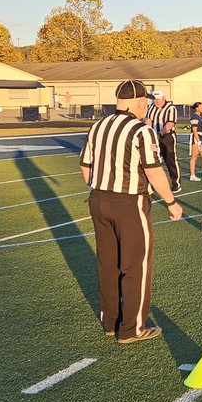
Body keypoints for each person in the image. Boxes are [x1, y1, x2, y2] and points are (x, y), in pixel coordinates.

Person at [80, 79, 183, 342]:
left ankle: (111, 321)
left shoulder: (97, 126)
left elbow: (85, 166)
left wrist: (101, 186)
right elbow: (153, 170)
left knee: (107, 264)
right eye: (146, 102)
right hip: (129, 202)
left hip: (98, 199)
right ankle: (132, 327)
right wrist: (171, 202)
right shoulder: (141, 130)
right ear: (139, 101)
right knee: (135, 265)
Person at [147, 89, 182, 194]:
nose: (157, 102)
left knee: (170, 160)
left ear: (164, 98)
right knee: (152, 160)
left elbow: (170, 124)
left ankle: (176, 183)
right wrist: (149, 133)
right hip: (154, 138)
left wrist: (159, 134)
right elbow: (148, 120)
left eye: (158, 99)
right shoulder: (151, 107)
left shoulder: (171, 108)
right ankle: (152, 183)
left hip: (167, 138)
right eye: (155, 100)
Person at [188, 101, 202, 181]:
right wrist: (198, 141)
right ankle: (192, 175)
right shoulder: (195, 117)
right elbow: (194, 130)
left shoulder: (200, 117)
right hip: (196, 138)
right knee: (194, 156)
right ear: (197, 108)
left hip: (201, 138)